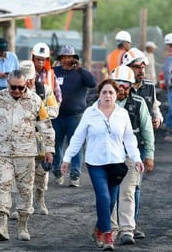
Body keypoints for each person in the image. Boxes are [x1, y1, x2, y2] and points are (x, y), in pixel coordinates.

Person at [61, 79, 144, 251]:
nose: (107, 96)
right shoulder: (90, 113)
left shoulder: (122, 114)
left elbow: (129, 139)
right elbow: (78, 137)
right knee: (104, 198)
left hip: (116, 163)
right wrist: (67, 158)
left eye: (111, 92)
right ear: (99, 94)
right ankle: (108, 235)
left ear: (116, 95)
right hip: (95, 163)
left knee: (112, 200)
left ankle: (98, 229)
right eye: (104, 92)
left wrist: (137, 158)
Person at [0, 69, 55, 242]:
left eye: (20, 88)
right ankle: (2, 225)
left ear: (26, 85)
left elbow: (45, 125)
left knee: (25, 190)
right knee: (3, 185)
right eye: (13, 87)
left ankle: (22, 225)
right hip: (3, 152)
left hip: (26, 153)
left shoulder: (35, 100)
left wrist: (49, 149)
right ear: (8, 84)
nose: (16, 91)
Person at [109, 65, 154, 245]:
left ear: (130, 85)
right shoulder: (103, 102)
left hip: (130, 154)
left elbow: (147, 130)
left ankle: (127, 230)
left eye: (126, 85)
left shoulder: (139, 102)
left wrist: (149, 155)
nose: (121, 89)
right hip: (109, 157)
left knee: (127, 192)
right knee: (110, 195)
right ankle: (111, 230)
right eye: (118, 85)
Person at [9, 60, 58, 219]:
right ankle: (19, 205)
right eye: (26, 78)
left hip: (40, 135)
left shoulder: (44, 90)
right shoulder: (14, 91)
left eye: (30, 78)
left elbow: (55, 109)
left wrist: (39, 112)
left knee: (42, 171)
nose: (29, 82)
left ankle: (40, 199)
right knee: (19, 172)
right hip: (20, 137)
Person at [122, 48, 162, 239]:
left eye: (142, 67)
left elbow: (155, 107)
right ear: (127, 68)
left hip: (142, 142)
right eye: (136, 67)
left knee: (135, 185)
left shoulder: (149, 86)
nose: (141, 71)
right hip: (120, 142)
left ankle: (132, 223)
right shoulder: (119, 86)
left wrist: (158, 118)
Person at [51, 45, 96, 187]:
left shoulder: (81, 73)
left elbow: (92, 83)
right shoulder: (54, 72)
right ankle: (57, 171)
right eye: (63, 57)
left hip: (75, 116)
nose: (66, 60)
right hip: (56, 115)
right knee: (55, 144)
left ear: (74, 59)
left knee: (75, 145)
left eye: (69, 57)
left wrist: (80, 69)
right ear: (60, 59)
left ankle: (75, 174)